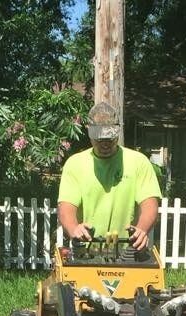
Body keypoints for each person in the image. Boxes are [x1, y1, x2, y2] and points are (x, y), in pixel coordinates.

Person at [57, 102, 161, 252]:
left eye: (110, 138)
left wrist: (142, 229)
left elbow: (150, 203)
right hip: (85, 253)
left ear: (118, 132)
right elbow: (66, 207)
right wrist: (74, 229)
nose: (105, 144)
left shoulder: (138, 162)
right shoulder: (75, 164)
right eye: (99, 139)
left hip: (128, 251)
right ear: (89, 132)